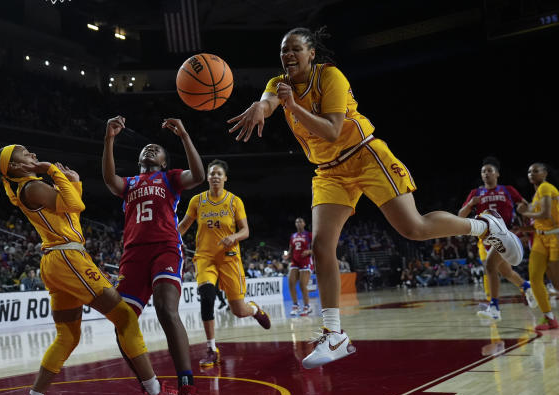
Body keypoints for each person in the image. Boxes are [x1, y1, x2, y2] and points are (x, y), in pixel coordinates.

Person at [227, 26, 523, 369]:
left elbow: (334, 130)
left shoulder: (330, 76)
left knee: (414, 228)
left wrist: (293, 106)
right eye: (283, 51)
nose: (288, 56)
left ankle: (485, 227)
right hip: (329, 171)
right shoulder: (280, 84)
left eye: (295, 49)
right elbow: (269, 102)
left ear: (311, 53)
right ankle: (334, 334)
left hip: (364, 155)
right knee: (321, 247)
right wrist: (259, 107)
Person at [0, 144, 174, 395]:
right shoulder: (31, 187)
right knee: (125, 317)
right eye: (24, 153)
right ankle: (154, 392)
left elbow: (71, 215)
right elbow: (76, 205)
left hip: (57, 260)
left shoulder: (29, 187)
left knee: (67, 337)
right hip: (67, 258)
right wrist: (52, 170)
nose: (32, 154)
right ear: (13, 166)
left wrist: (75, 182)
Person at [102, 116, 205, 395]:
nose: (150, 149)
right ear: (139, 160)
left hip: (164, 248)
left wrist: (185, 134)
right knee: (121, 322)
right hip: (132, 255)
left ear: (163, 161)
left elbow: (198, 175)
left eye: (156, 148)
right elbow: (110, 179)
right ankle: (153, 391)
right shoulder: (130, 184)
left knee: (165, 309)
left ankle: (188, 392)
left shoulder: (170, 179)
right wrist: (109, 139)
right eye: (146, 148)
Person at [178, 159, 271, 369]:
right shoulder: (197, 201)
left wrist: (234, 237)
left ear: (225, 178)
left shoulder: (234, 201)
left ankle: (254, 310)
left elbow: (245, 230)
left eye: (219, 173)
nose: (215, 177)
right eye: (212, 173)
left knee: (238, 310)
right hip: (205, 257)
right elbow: (183, 225)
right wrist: (170, 239)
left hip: (229, 258)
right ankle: (212, 349)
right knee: (207, 297)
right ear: (208, 177)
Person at [458, 157, 535, 320]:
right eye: (483, 171)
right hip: (485, 238)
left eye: (489, 171)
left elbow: (526, 206)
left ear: (497, 174)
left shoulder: (508, 190)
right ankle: (526, 286)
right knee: (505, 271)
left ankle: (494, 306)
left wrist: (524, 211)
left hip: (505, 235)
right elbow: (460, 215)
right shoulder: (476, 193)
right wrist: (471, 203)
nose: (486, 174)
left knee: (490, 268)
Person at [517, 163, 559, 330]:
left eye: (536, 171)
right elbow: (539, 222)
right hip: (540, 239)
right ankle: (549, 318)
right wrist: (520, 229)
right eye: (529, 171)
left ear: (545, 173)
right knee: (534, 278)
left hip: (556, 236)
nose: (531, 174)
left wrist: (525, 212)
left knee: (557, 283)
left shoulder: (546, 187)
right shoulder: (536, 195)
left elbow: (546, 214)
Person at [285, 217, 313, 316]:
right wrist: (287, 255)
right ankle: (295, 305)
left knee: (302, 284)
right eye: (296, 222)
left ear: (304, 223)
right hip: (295, 261)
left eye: (300, 221)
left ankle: (307, 306)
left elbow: (317, 248)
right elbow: (290, 250)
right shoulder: (293, 236)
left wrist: (309, 251)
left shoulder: (309, 235)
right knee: (291, 282)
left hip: (306, 261)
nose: (298, 223)